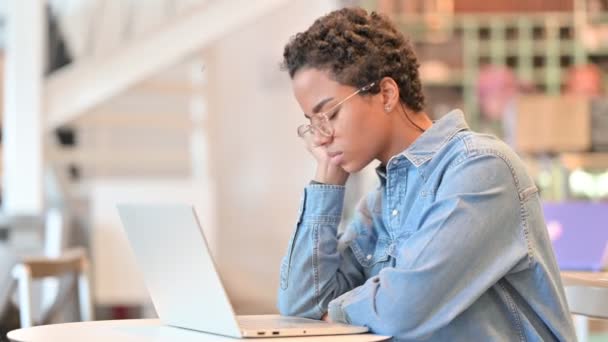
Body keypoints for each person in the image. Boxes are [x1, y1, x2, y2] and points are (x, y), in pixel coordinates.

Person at [276, 7, 576, 341]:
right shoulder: (379, 203)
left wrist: (335, 311)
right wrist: (327, 178)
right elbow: (301, 302)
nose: (320, 136)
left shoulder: (482, 168)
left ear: (387, 94)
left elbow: (404, 309)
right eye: (312, 123)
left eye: (329, 114)